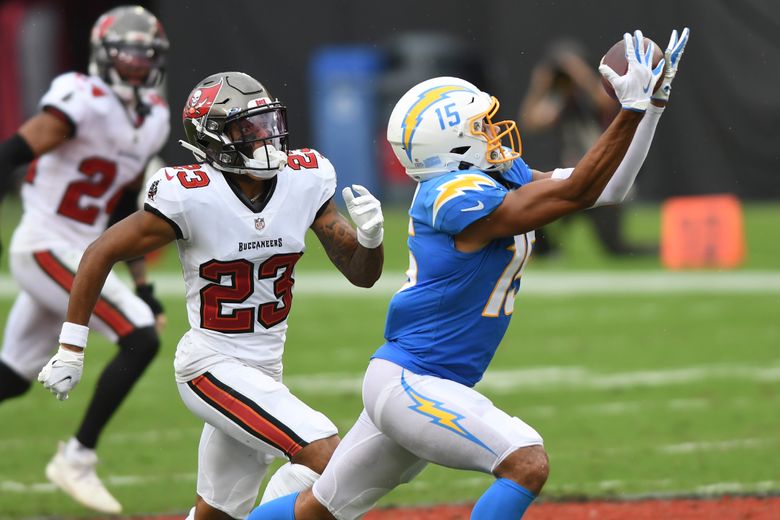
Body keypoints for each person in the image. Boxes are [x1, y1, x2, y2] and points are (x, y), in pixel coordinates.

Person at [249, 27, 689, 520]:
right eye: (481, 125)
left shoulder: (494, 176)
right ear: (451, 143)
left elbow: (607, 189)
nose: (494, 130)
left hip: (422, 381)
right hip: (412, 382)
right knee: (526, 462)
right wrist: (627, 111)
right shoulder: (450, 197)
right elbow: (578, 192)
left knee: (319, 510)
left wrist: (650, 109)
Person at [37, 70, 385, 520]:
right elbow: (100, 252)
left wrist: (371, 240)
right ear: (215, 138)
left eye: (267, 124)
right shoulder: (190, 194)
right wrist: (71, 347)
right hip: (211, 366)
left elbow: (361, 276)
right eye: (248, 129)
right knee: (331, 457)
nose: (266, 139)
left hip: (264, 369)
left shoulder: (306, 178)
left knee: (217, 512)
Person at [0, 5, 169, 514]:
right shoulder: (83, 96)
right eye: (128, 52)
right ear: (104, 55)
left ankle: (76, 456)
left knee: (9, 377)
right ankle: (77, 457)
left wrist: (141, 282)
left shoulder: (155, 115)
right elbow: (15, 151)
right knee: (139, 336)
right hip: (46, 244)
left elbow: (124, 207)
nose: (138, 63)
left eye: (147, 54)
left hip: (83, 250)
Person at [519, 38, 657, 257]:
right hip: (572, 178)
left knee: (616, 249)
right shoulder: (560, 98)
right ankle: (549, 251)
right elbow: (532, 121)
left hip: (601, 176)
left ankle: (660, 249)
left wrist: (579, 72)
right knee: (533, 205)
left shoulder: (595, 91)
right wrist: (540, 85)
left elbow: (604, 103)